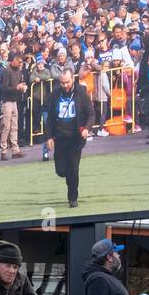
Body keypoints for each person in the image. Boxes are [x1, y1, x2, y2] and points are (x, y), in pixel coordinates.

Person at [44, 67, 93, 209]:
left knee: (73, 169)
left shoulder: (81, 93)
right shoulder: (55, 95)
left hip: (76, 139)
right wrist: (49, 137)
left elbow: (91, 114)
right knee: (61, 171)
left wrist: (87, 128)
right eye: (62, 83)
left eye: (67, 82)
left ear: (73, 79)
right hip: (60, 137)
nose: (65, 85)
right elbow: (50, 118)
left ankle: (73, 197)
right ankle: (70, 177)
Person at [0, 51, 27, 161]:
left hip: (14, 100)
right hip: (7, 101)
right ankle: (3, 150)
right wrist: (17, 88)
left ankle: (15, 150)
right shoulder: (6, 71)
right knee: (6, 126)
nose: (19, 64)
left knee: (14, 126)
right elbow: (4, 88)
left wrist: (23, 87)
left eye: (21, 63)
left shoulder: (18, 72)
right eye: (18, 62)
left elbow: (19, 84)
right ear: (14, 60)